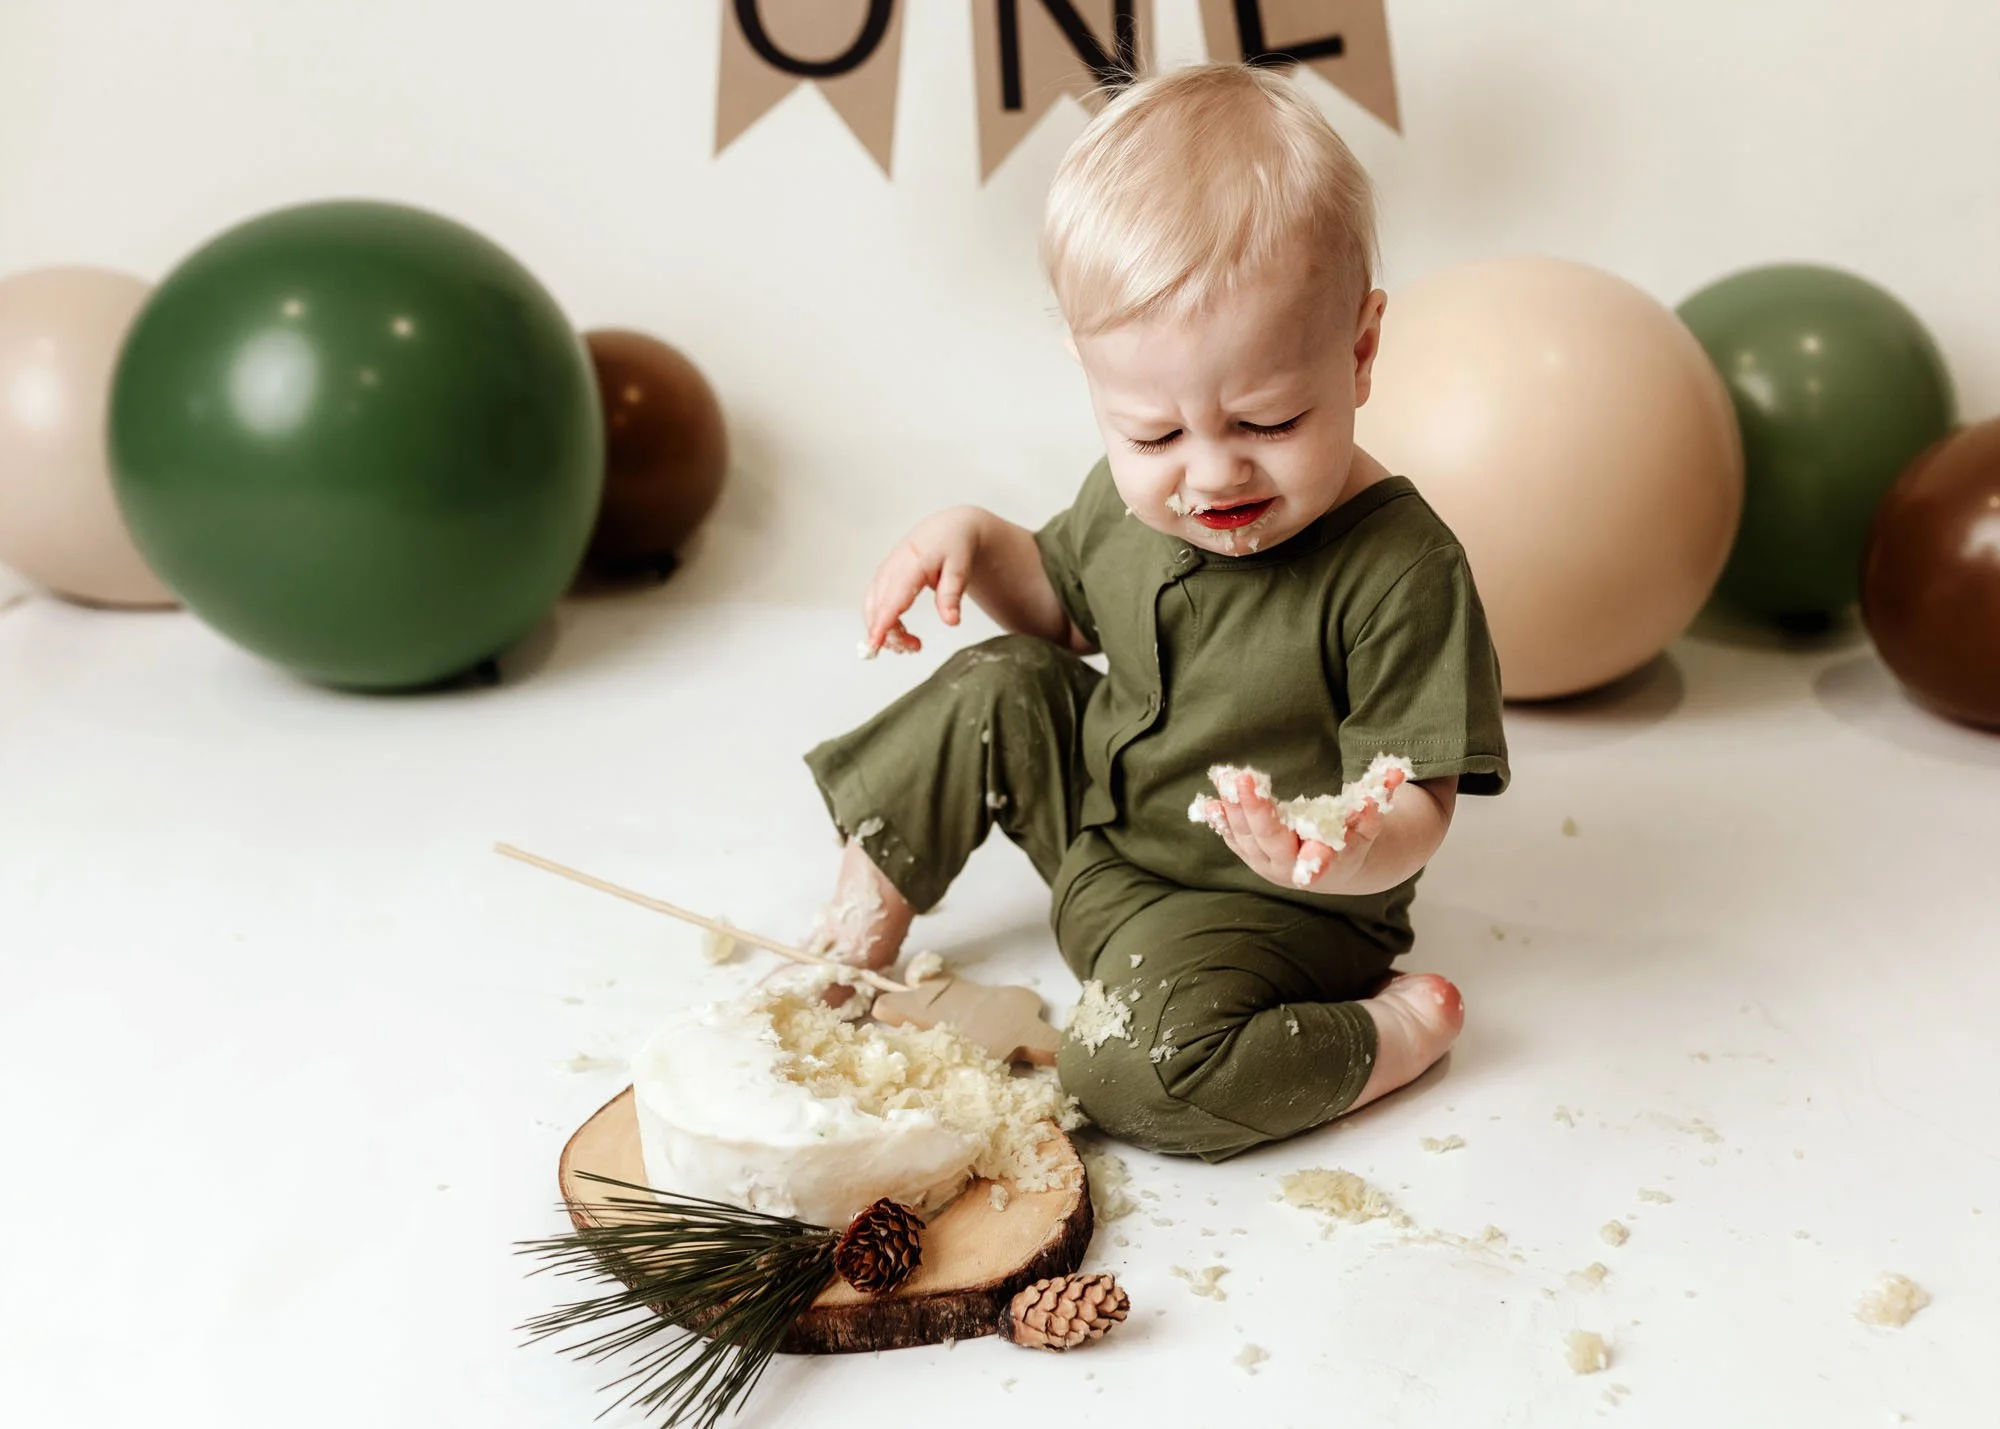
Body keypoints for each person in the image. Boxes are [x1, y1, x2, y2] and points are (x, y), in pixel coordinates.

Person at [801, 62, 1509, 1162]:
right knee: (997, 681)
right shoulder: (1129, 507)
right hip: (1105, 831)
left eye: (1268, 420)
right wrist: (975, 541)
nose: (1211, 475)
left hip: (1260, 910)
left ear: (1359, 351)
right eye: (1153, 434)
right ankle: (854, 936)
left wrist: (1335, 844)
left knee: (1128, 1068)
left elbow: (1416, 796)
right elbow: (1058, 616)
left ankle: (1382, 1038)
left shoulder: (1396, 568)